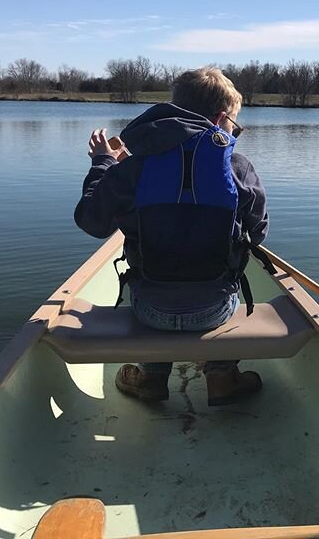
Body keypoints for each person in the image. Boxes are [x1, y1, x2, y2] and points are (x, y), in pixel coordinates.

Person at [74, 67, 269, 406]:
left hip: (150, 310)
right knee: (225, 282)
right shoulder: (238, 166)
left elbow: (93, 222)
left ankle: (151, 378)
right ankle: (222, 376)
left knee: (150, 286)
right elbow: (260, 232)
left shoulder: (137, 167)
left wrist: (104, 164)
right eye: (233, 125)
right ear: (222, 118)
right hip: (215, 310)